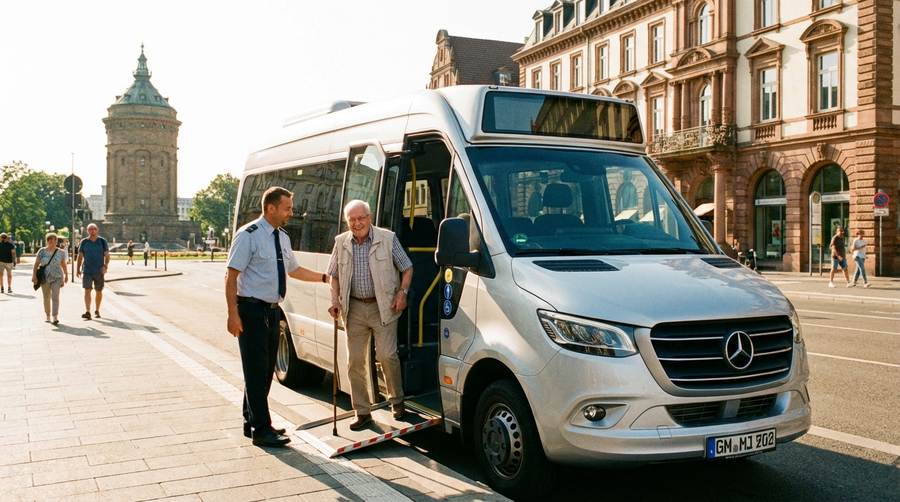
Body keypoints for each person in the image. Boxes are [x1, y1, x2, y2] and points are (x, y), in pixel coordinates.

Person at [225, 186, 327, 447]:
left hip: (272, 312)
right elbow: (231, 276)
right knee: (256, 372)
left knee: (264, 371)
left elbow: (294, 270)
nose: (292, 213)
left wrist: (325, 278)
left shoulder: (282, 237)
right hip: (251, 312)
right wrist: (232, 315)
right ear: (270, 208)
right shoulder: (248, 235)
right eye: (287, 208)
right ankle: (262, 429)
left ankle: (252, 422)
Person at [327, 199, 413, 430]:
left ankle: (397, 400)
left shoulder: (387, 238)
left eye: (361, 218)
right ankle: (362, 412)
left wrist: (402, 293)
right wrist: (335, 300)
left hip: (383, 306)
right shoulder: (341, 242)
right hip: (354, 307)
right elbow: (333, 275)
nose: (357, 224)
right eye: (352, 220)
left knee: (387, 355)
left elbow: (407, 267)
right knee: (354, 362)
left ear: (370, 217)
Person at [32, 232, 68, 325]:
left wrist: (66, 275)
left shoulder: (61, 252)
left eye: (54, 240)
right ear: (47, 241)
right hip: (45, 277)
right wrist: (34, 275)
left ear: (56, 241)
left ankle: (55, 316)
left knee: (55, 296)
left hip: (57, 277)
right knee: (46, 297)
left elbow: (63, 265)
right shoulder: (42, 251)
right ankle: (48, 315)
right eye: (50, 240)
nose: (52, 242)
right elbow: (36, 264)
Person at [76, 223, 110, 319]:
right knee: (87, 290)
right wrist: (78, 269)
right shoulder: (84, 242)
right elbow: (80, 256)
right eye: (90, 229)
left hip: (99, 270)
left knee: (98, 291)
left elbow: (107, 255)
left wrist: (105, 266)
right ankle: (87, 311)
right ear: (88, 231)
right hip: (87, 270)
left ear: (97, 230)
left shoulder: (102, 241)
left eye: (94, 229)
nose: (93, 231)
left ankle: (97, 310)